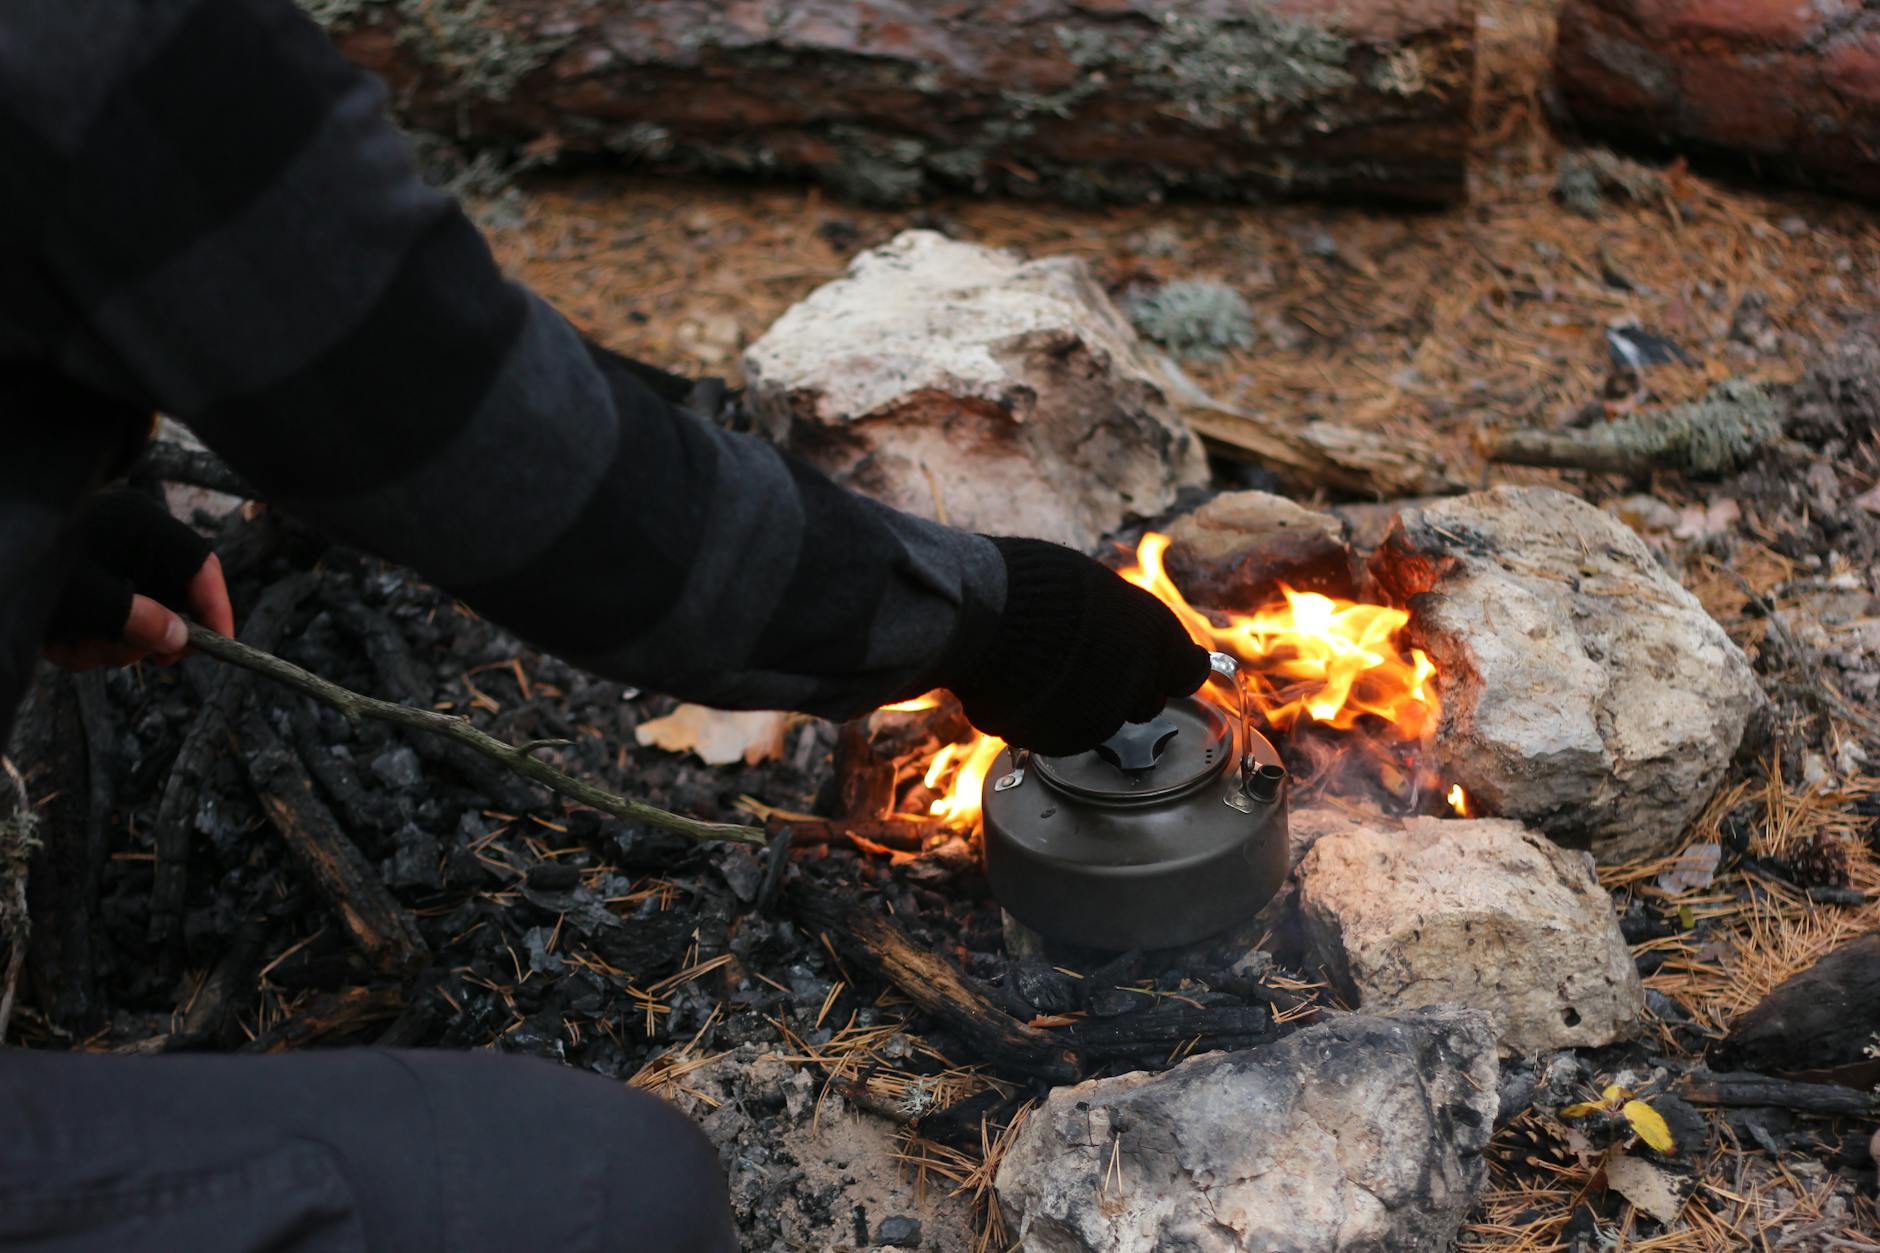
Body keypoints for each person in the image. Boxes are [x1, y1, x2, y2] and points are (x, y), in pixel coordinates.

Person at [0, 1, 1210, 1248]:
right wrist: (1006, 622)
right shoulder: (109, 48)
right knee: (606, 1193)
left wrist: (51, 509)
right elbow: (561, 495)